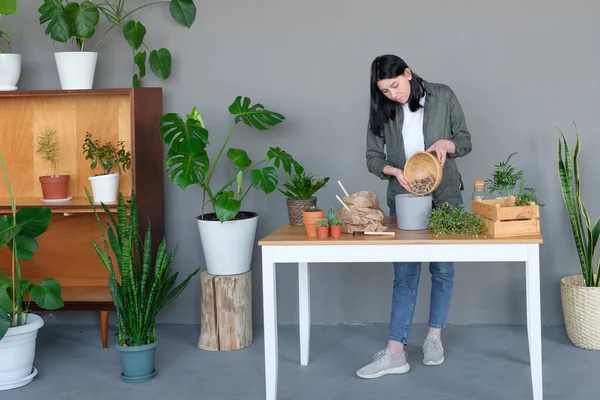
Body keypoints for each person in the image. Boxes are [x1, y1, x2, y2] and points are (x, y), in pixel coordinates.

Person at [357, 54, 472, 379]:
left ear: (408, 74)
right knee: (406, 273)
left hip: (446, 194)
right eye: (385, 90)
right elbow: (372, 156)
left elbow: (464, 140)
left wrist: (446, 144)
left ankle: (434, 338)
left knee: (443, 269)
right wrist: (395, 171)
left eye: (395, 86)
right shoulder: (383, 108)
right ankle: (395, 353)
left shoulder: (443, 95)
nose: (392, 94)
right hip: (405, 197)